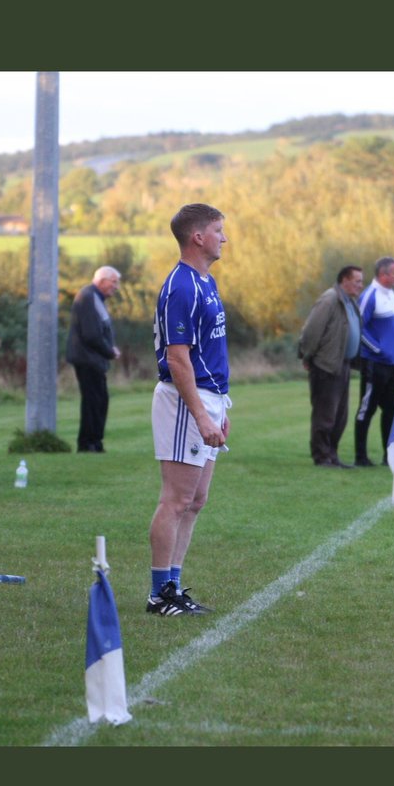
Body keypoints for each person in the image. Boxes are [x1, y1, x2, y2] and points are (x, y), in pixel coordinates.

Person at [147, 203, 231, 617]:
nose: (224, 238)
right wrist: (199, 413)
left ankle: (173, 587)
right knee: (176, 499)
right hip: (184, 401)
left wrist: (219, 407)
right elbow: (178, 358)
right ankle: (159, 592)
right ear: (197, 236)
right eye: (218, 230)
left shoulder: (206, 281)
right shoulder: (181, 286)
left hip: (207, 398)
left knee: (197, 499)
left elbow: (209, 350)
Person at [298, 266, 363, 467]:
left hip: (342, 365)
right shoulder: (329, 300)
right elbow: (312, 331)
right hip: (326, 365)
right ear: (344, 279)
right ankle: (321, 456)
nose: (361, 286)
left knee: (340, 416)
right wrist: (307, 356)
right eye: (357, 281)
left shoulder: (349, 301)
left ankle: (332, 455)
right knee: (325, 415)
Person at [354, 256, 394, 467]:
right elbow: (358, 327)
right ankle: (361, 457)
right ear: (383, 274)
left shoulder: (392, 294)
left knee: (393, 409)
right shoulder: (370, 295)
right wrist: (378, 349)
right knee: (367, 409)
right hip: (374, 364)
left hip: (392, 365)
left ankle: (390, 456)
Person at [66, 265, 121, 453]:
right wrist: (110, 351)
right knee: (93, 402)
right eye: (114, 282)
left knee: (99, 400)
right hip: (88, 360)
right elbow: (91, 334)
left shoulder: (95, 297)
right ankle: (88, 444)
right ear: (101, 280)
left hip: (93, 360)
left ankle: (95, 442)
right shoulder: (89, 297)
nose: (116, 287)